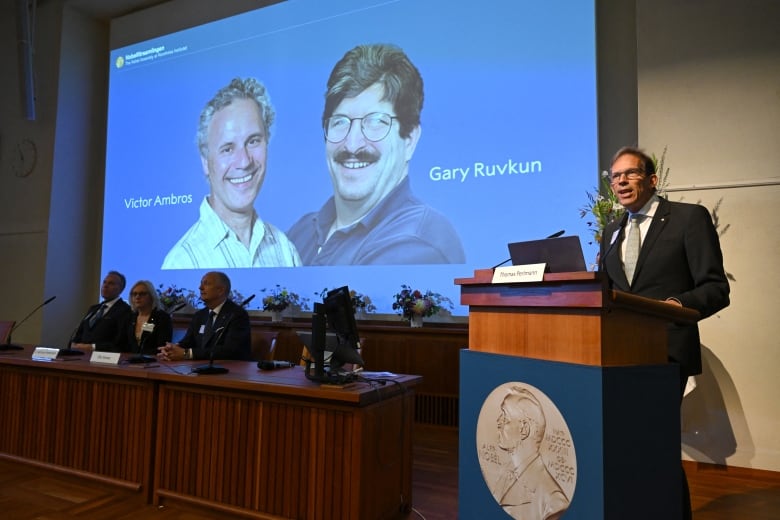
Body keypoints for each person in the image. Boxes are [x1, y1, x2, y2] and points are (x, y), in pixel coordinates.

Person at [599, 146, 730, 520]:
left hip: (666, 349)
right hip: (620, 352)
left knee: (655, 443)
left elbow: (716, 287)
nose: (621, 181)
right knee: (628, 445)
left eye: (630, 173)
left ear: (652, 180)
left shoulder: (688, 219)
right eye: (615, 176)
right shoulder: (611, 231)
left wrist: (675, 305)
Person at [287, 43, 465, 265]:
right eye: (340, 122)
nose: (352, 144)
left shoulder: (417, 242)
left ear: (409, 139)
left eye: (375, 122)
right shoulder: (301, 232)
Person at [162, 77, 301, 269]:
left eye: (253, 141)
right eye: (227, 149)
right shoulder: (183, 261)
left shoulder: (285, 250)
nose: (244, 161)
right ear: (205, 162)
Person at [492, 387, 569, 520]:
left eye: (505, 416)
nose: (498, 421)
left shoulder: (553, 502)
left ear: (524, 429)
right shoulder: (504, 475)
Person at [157, 271, 250, 361]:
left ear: (221, 290)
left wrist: (188, 353)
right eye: (201, 283)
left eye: (206, 284)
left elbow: (230, 350)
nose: (200, 287)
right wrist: (173, 348)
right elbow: (188, 341)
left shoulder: (237, 315)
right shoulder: (199, 315)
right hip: (200, 368)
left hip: (229, 370)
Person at [71, 271, 132, 352]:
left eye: (111, 283)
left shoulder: (125, 310)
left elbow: (120, 342)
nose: (105, 286)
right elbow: (80, 332)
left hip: (103, 357)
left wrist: (92, 347)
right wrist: (73, 344)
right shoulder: (94, 308)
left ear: (121, 288)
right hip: (81, 355)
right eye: (104, 282)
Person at [122, 280, 173, 360]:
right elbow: (122, 343)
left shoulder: (162, 317)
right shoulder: (129, 317)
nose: (137, 297)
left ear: (152, 296)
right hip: (129, 361)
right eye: (134, 294)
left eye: (142, 294)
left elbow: (162, 346)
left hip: (153, 362)